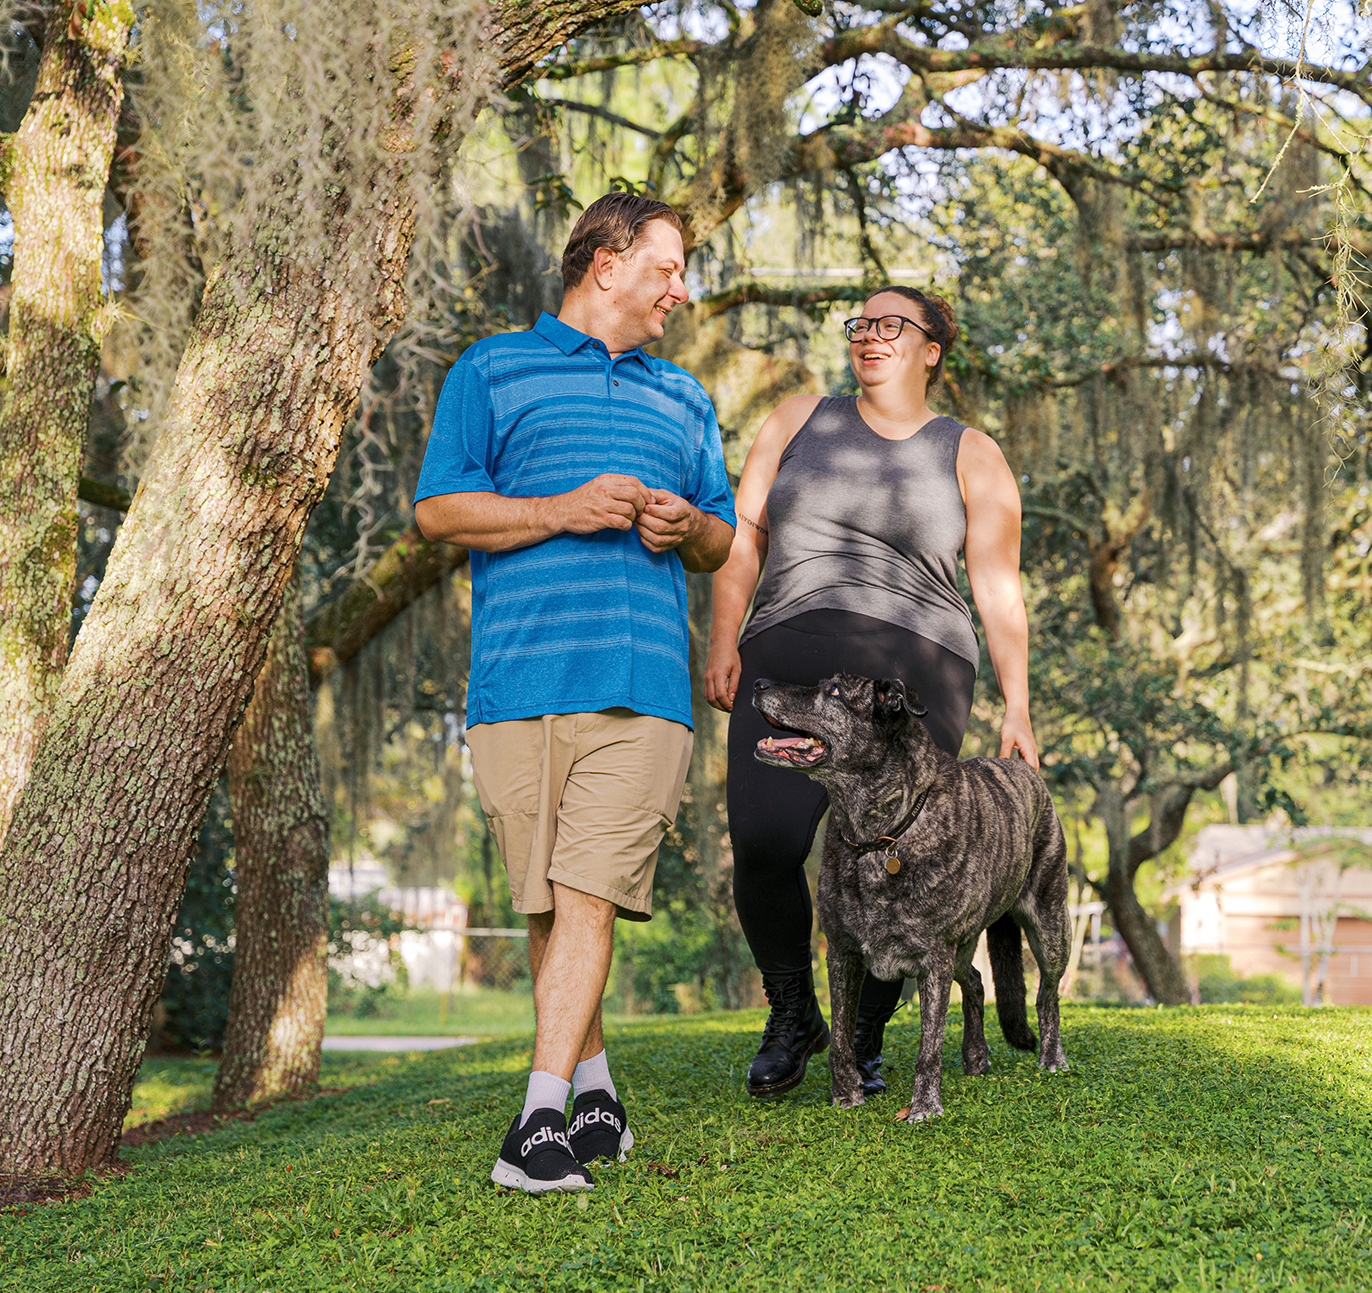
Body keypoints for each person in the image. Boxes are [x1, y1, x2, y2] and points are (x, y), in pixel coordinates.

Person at [413, 193, 735, 1193]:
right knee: (552, 904)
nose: (680, 291)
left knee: (588, 892)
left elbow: (724, 540)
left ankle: (537, 1129)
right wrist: (555, 509)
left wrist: (688, 527)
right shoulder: (490, 370)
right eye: (667, 268)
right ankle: (594, 1095)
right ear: (606, 261)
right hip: (515, 685)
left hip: (640, 689)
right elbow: (437, 511)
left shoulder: (684, 398)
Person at [705, 285, 1038, 1100]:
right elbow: (741, 534)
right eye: (859, 324)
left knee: (901, 865)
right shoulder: (796, 419)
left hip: (916, 661)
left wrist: (1018, 703)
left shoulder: (971, 453)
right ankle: (792, 1010)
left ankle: (865, 1033)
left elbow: (997, 587)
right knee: (766, 841)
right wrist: (721, 637)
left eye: (892, 324)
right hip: (791, 637)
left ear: (932, 350)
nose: (870, 335)